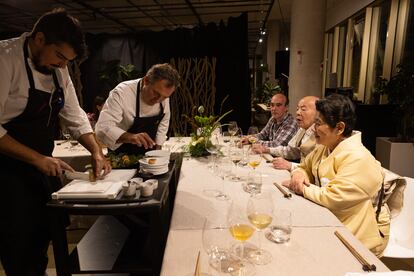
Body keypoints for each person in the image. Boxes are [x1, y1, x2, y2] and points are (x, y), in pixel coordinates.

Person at [0, 8, 111, 275]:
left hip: (39, 167)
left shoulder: (58, 68)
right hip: (5, 171)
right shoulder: (4, 59)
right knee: (18, 244)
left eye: (67, 61)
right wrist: (38, 159)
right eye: (60, 56)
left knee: (43, 235)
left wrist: (96, 151)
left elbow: (74, 115)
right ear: (39, 39)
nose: (63, 66)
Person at [283, 94, 389, 256]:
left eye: (318, 124)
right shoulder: (324, 146)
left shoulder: (358, 157)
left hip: (356, 238)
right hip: (329, 221)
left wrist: (301, 188)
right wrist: (298, 174)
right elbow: (304, 167)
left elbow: (334, 197)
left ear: (339, 128)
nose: (313, 129)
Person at [95, 63, 180, 154]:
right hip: (121, 155)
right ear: (146, 80)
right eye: (156, 93)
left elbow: (163, 124)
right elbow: (102, 128)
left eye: (164, 97)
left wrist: (157, 152)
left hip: (149, 154)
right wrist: (131, 137)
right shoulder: (122, 92)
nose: (159, 100)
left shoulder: (162, 95)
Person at [252, 96, 318, 171]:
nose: (298, 112)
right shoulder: (303, 129)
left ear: (318, 113)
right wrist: (267, 150)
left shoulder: (320, 133)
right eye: (297, 109)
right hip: (300, 173)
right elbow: (291, 151)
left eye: (303, 109)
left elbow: (317, 168)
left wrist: (290, 165)